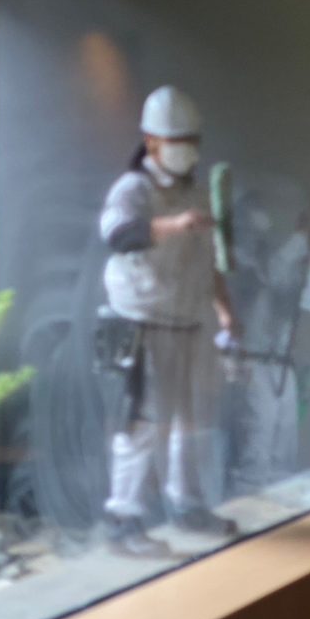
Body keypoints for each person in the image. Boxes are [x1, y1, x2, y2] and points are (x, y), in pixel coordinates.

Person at [99, 85, 239, 557]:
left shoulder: (196, 192)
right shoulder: (133, 189)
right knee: (143, 423)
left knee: (192, 421)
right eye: (177, 141)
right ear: (152, 142)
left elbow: (208, 260)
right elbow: (119, 235)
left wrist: (226, 311)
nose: (187, 150)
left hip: (189, 320)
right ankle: (124, 519)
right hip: (142, 321)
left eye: (192, 141)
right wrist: (174, 225)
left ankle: (188, 504)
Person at [224, 195, 310, 495]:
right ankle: (247, 513)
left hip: (282, 363)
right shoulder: (235, 262)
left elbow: (306, 300)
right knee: (256, 444)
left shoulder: (276, 261)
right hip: (253, 362)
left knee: (284, 447)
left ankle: (280, 511)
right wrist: (300, 238)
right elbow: (268, 276)